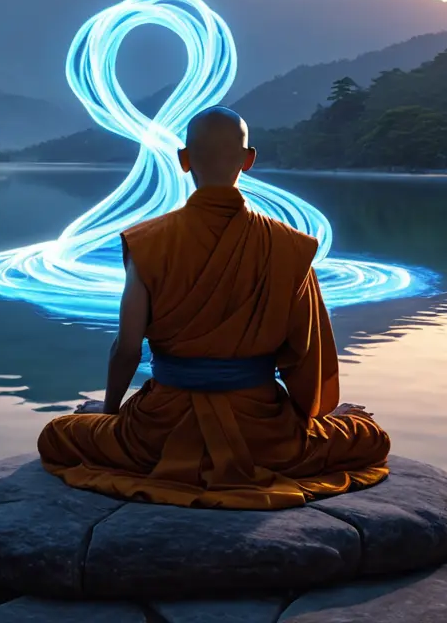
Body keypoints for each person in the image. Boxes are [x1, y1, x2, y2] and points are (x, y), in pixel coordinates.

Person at [37, 106, 391, 509]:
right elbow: (306, 356)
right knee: (369, 438)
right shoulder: (289, 246)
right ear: (249, 159)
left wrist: (111, 412)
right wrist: (316, 417)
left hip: (160, 428)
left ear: (184, 160)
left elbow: (128, 348)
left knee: (59, 434)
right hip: (263, 432)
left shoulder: (148, 240)